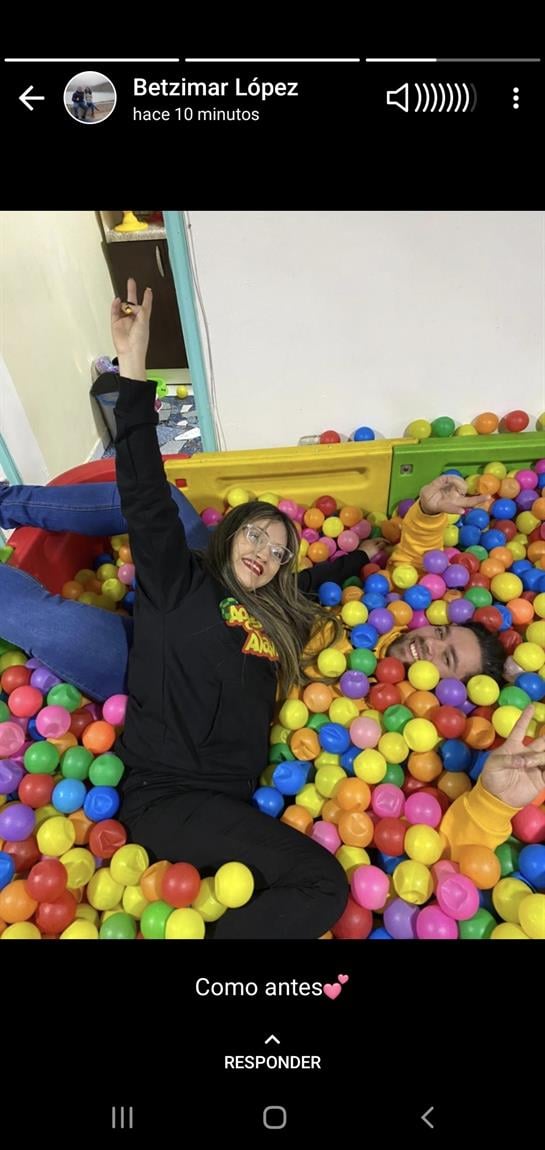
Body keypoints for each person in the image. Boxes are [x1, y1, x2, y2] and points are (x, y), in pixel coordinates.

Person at [1, 283, 543, 934]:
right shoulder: (333, 604)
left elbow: (325, 581)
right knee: (160, 507)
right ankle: (9, 501)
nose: (429, 646)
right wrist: (134, 369)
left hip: (164, 682)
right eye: (442, 633)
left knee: (82, 593)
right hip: (185, 616)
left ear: (455, 693)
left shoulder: (352, 669)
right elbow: (384, 570)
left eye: (447, 661)